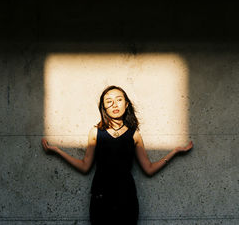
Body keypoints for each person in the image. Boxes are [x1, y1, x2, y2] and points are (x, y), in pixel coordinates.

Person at [42, 85, 193, 225]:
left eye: (119, 100)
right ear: (103, 108)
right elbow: (84, 166)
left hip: (126, 197)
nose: (114, 104)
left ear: (126, 104)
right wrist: (57, 151)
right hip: (100, 197)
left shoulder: (135, 135)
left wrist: (175, 152)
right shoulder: (95, 132)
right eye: (109, 101)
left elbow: (149, 169)